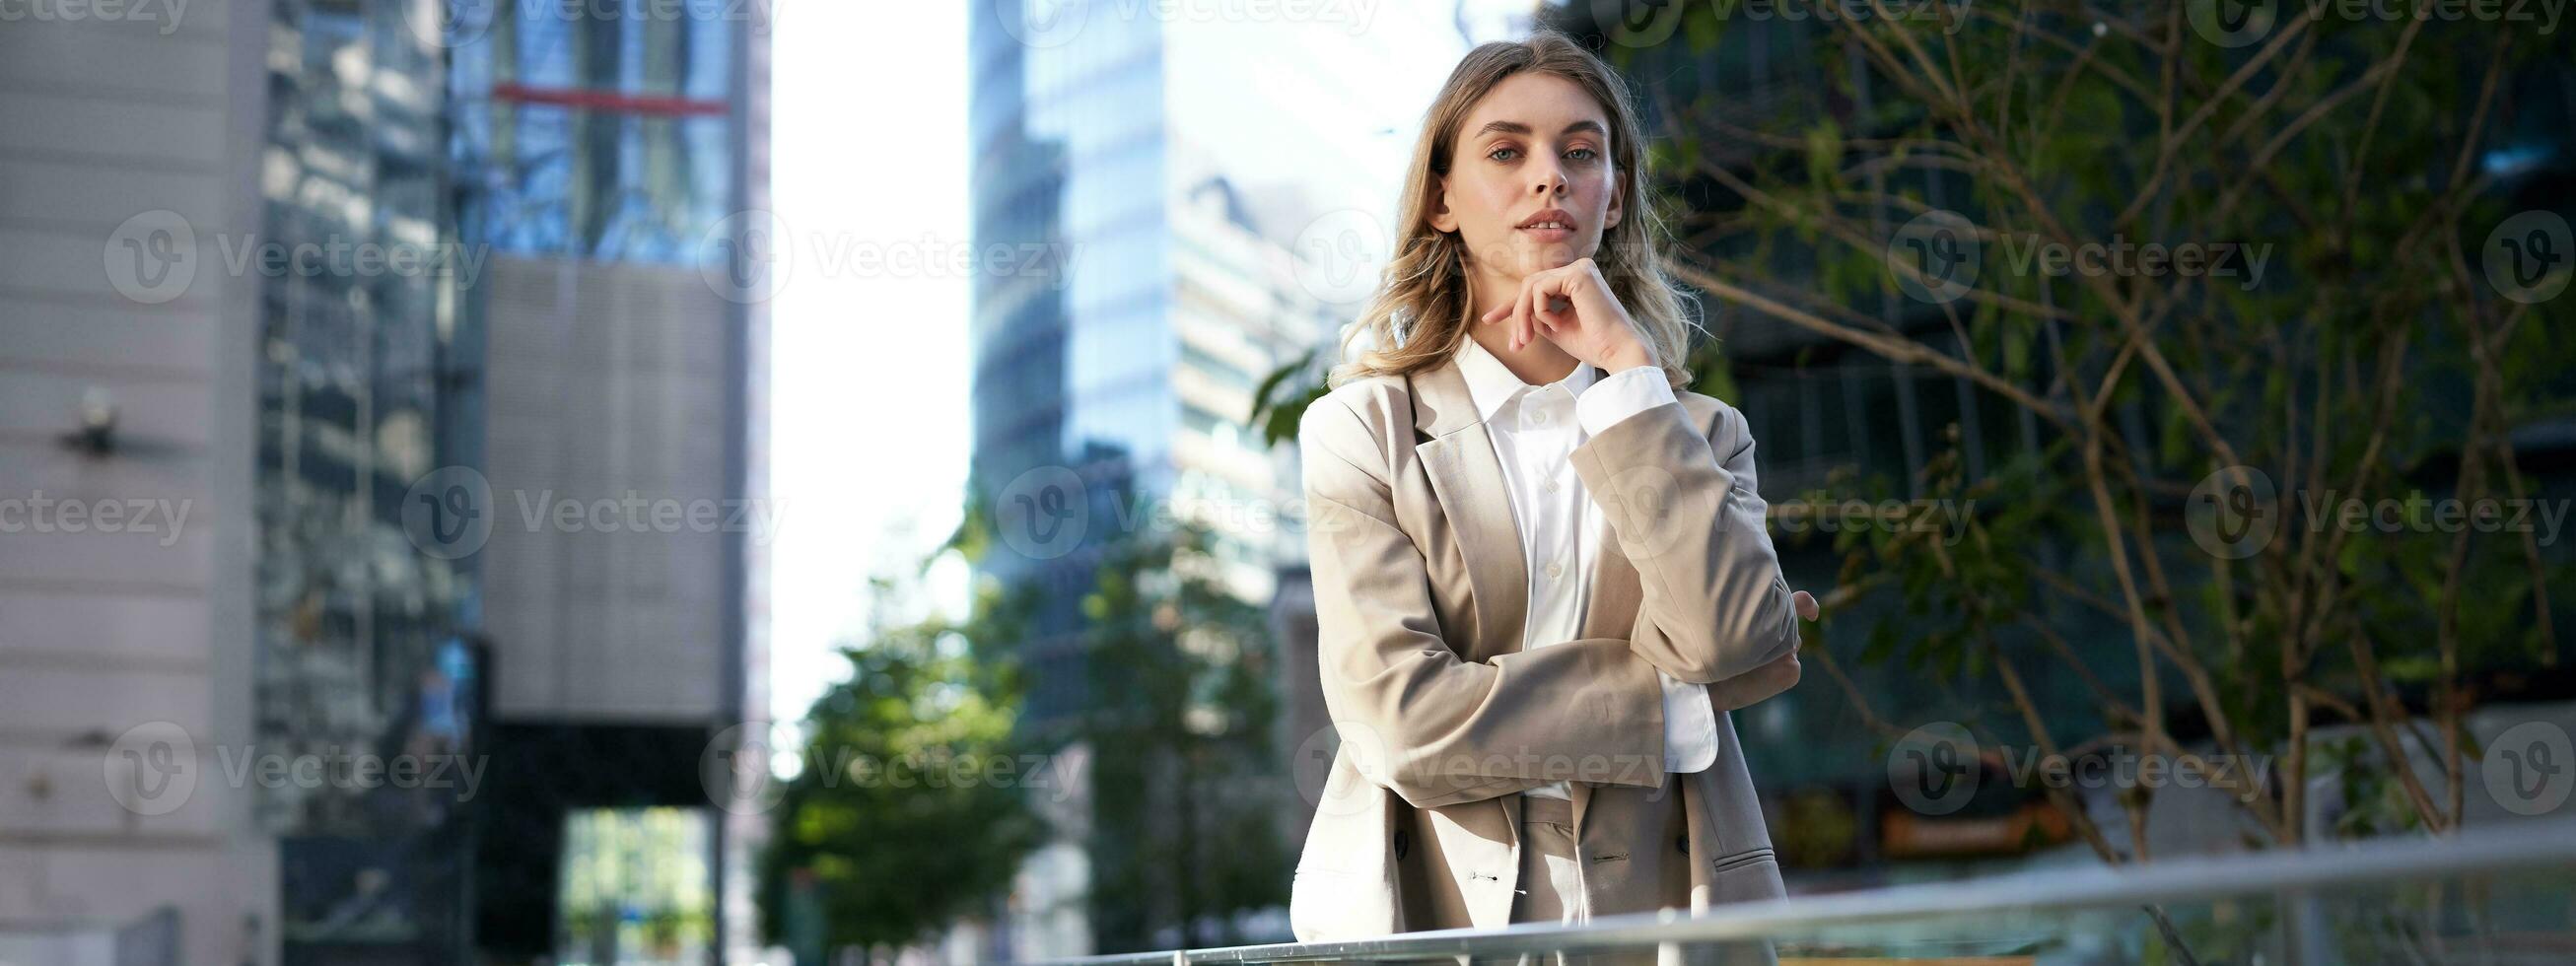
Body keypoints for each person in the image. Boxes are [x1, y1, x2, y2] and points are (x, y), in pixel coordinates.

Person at [1288, 29, 1820, 964]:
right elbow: (1402, 722)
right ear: (1442, 198)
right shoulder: (1360, 431)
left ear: (1613, 197)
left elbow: (1733, 641)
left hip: (1671, 908)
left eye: (1582, 153)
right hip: (1434, 912)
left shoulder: (1698, 431)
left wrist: (1627, 376)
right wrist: (1675, 702)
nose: (1551, 177)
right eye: (1506, 151)